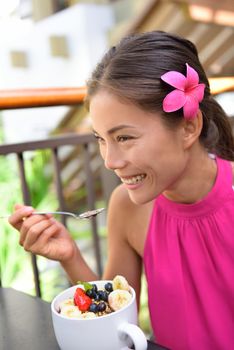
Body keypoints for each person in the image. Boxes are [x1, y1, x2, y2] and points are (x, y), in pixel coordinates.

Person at [9, 31, 234, 350]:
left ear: (188, 127)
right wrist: (70, 257)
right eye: (101, 139)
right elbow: (115, 328)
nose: (110, 161)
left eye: (125, 138)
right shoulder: (128, 207)